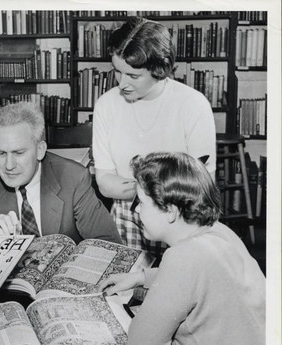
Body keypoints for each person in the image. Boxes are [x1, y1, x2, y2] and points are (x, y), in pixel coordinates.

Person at [98, 152, 265, 345]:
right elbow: (203, 276)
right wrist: (141, 277)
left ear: (170, 212)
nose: (136, 212)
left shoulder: (182, 257)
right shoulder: (219, 232)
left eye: (141, 203)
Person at [92, 17, 216, 257]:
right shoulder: (106, 105)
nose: (121, 84)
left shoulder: (193, 105)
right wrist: (153, 192)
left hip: (181, 220)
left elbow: (202, 188)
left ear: (159, 69)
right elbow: (105, 181)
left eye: (133, 76)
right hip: (125, 220)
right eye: (117, 71)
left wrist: (138, 189)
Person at [0, 101, 121, 244]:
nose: (9, 165)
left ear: (40, 150)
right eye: (1, 153)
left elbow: (108, 244)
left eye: (19, 153)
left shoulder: (74, 178)